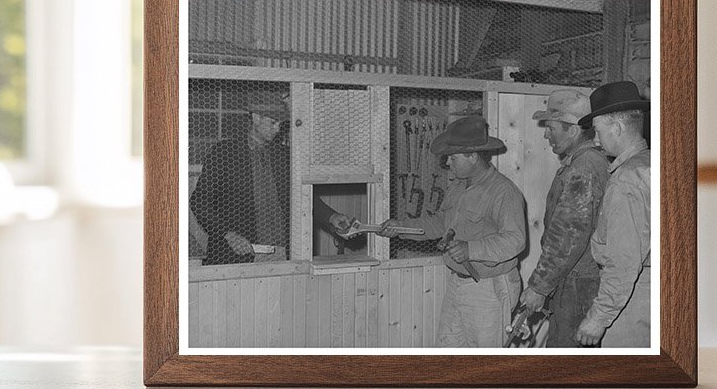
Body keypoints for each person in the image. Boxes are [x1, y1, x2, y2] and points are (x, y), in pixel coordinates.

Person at [380, 116, 527, 347]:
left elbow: (515, 240)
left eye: (453, 157)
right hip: (458, 284)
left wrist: (470, 249)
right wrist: (399, 228)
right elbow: (440, 223)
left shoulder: (503, 192)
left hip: (489, 288)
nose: (448, 162)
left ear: (473, 156)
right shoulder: (459, 185)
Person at [188, 91, 351, 263]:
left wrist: (331, 217)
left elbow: (303, 197)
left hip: (282, 254)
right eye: (273, 122)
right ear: (256, 118)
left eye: (281, 124)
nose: (278, 129)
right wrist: (228, 235)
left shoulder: (285, 156)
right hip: (237, 254)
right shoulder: (224, 152)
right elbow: (200, 201)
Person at [522, 90, 610, 347]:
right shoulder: (586, 162)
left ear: (572, 130)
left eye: (551, 128)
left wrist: (539, 287)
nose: (546, 135)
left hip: (579, 284)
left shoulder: (583, 168)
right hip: (576, 279)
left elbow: (567, 236)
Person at [573, 81, 651, 349]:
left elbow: (623, 261)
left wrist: (598, 319)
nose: (596, 140)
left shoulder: (627, 179)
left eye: (598, 131)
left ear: (616, 128)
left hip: (634, 297)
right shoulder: (653, 164)